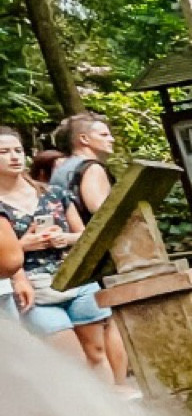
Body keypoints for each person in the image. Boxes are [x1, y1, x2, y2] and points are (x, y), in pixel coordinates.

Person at [0, 126, 115, 378]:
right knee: (70, 360)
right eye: (4, 152)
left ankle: (112, 408)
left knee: (97, 352)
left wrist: (64, 238)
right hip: (33, 288)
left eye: (18, 150)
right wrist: (23, 245)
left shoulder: (52, 193)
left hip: (75, 277)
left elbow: (85, 235)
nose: (14, 157)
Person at [49, 112, 131, 387]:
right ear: (84, 139)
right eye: (104, 134)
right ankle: (119, 386)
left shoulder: (62, 169)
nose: (111, 139)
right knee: (110, 321)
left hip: (68, 254)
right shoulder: (91, 167)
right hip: (94, 253)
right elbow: (100, 209)